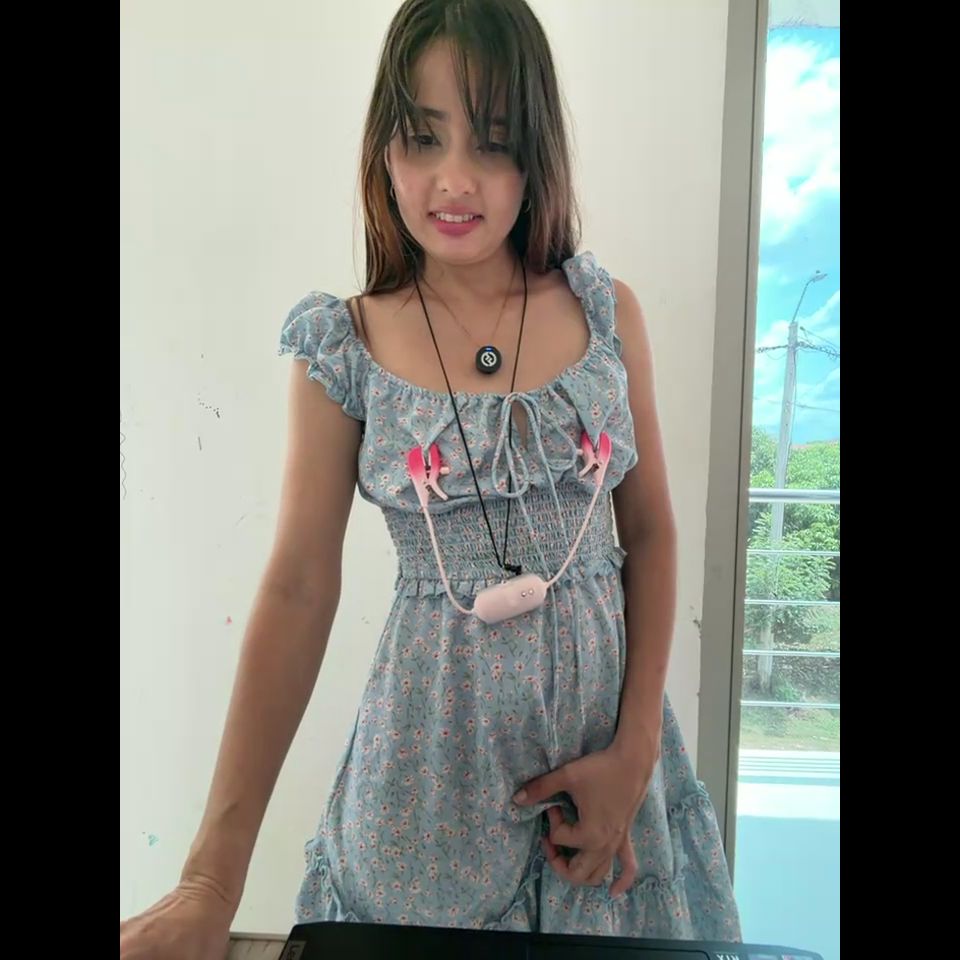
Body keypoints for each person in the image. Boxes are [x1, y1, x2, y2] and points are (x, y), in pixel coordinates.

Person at [120, 0, 741, 955]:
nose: (455, 179)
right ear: (384, 148)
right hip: (425, 802)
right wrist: (210, 878)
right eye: (423, 137)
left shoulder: (605, 313)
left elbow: (650, 532)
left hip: (609, 780)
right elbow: (298, 588)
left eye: (493, 140)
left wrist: (636, 752)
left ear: (537, 152)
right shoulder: (345, 347)